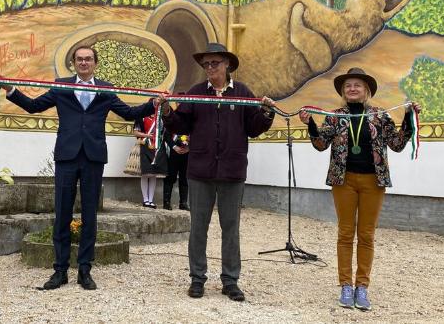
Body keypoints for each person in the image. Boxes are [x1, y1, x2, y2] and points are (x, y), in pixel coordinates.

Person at [1, 45, 157, 291]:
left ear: (95, 63)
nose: (84, 63)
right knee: (62, 212)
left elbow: (128, 113)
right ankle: (60, 270)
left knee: (89, 215)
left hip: (93, 157)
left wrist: (153, 103)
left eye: (89, 59)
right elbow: (34, 106)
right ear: (73, 63)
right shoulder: (61, 86)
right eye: (80, 59)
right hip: (67, 156)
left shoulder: (105, 89)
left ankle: (85, 269)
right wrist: (11, 91)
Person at [159, 43, 276, 302]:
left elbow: (254, 128)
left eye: (215, 63)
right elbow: (181, 124)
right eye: (206, 64)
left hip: (232, 172)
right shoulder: (196, 93)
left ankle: (230, 280)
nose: (210, 68)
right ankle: (197, 278)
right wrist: (167, 111)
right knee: (198, 227)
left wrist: (267, 113)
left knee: (230, 228)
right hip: (200, 171)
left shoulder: (243, 92)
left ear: (227, 65)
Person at [298, 67, 418, 311]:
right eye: (348, 86)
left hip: (373, 182)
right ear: (344, 91)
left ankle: (362, 286)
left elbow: (396, 144)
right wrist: (310, 123)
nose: (353, 88)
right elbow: (321, 144)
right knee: (345, 234)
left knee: (366, 235)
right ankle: (345, 285)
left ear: (367, 91)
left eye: (358, 85)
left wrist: (407, 117)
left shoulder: (379, 116)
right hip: (344, 181)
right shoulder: (335, 116)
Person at [132, 114, 167, 208]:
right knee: (145, 173)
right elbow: (135, 133)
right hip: (145, 146)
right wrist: (147, 135)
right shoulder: (141, 117)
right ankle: (145, 200)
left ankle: (151, 200)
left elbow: (164, 133)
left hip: (156, 148)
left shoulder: (161, 119)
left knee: (153, 174)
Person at [162, 125, 189, 211]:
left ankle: (183, 203)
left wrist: (189, 148)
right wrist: (174, 147)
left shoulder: (190, 120)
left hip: (186, 153)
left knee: (184, 178)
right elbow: (166, 135)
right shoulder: (172, 120)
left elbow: (195, 135)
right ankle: (166, 202)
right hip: (173, 152)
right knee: (170, 177)